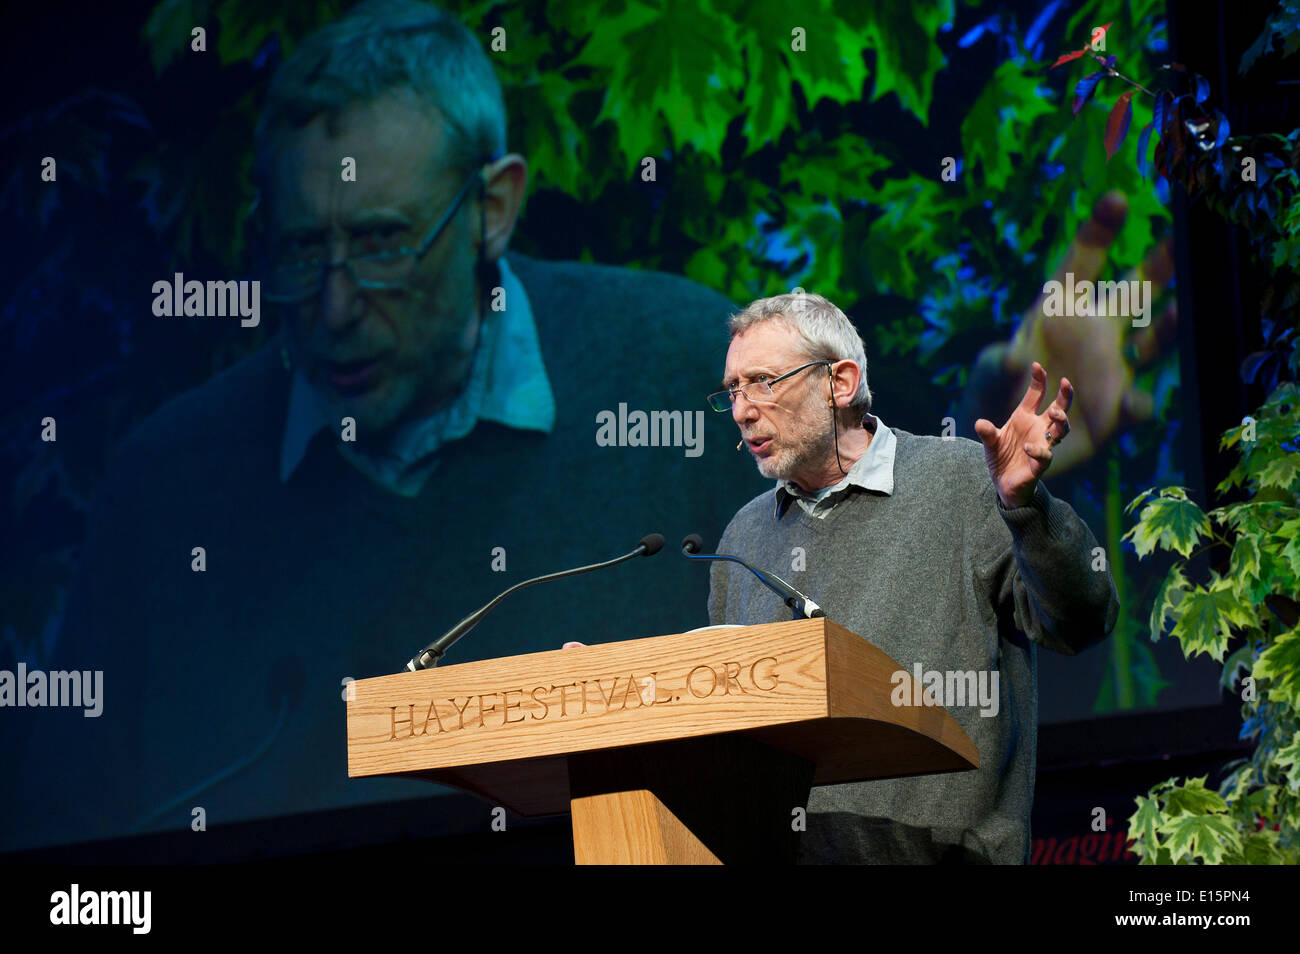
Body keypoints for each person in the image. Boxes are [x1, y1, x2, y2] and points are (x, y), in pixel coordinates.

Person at [1, 0, 767, 853]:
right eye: (299, 253)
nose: (334, 307)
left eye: (382, 243)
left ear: (493, 207)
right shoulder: (165, 483)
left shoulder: (693, 379)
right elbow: (65, 853)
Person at [706, 291, 1119, 864]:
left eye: (763, 382)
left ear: (840, 383)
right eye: (733, 389)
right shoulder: (743, 537)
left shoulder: (964, 484)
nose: (743, 409)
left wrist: (1026, 508)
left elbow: (1083, 619)